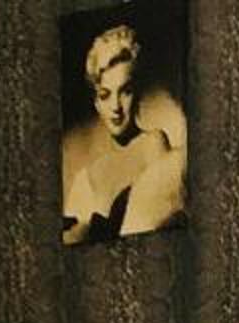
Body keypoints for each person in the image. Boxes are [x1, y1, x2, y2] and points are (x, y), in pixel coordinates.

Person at [61, 22, 186, 244]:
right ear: (96, 103)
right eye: (105, 95)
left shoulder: (152, 144)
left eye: (125, 91)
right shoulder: (84, 180)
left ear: (137, 92)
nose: (116, 107)